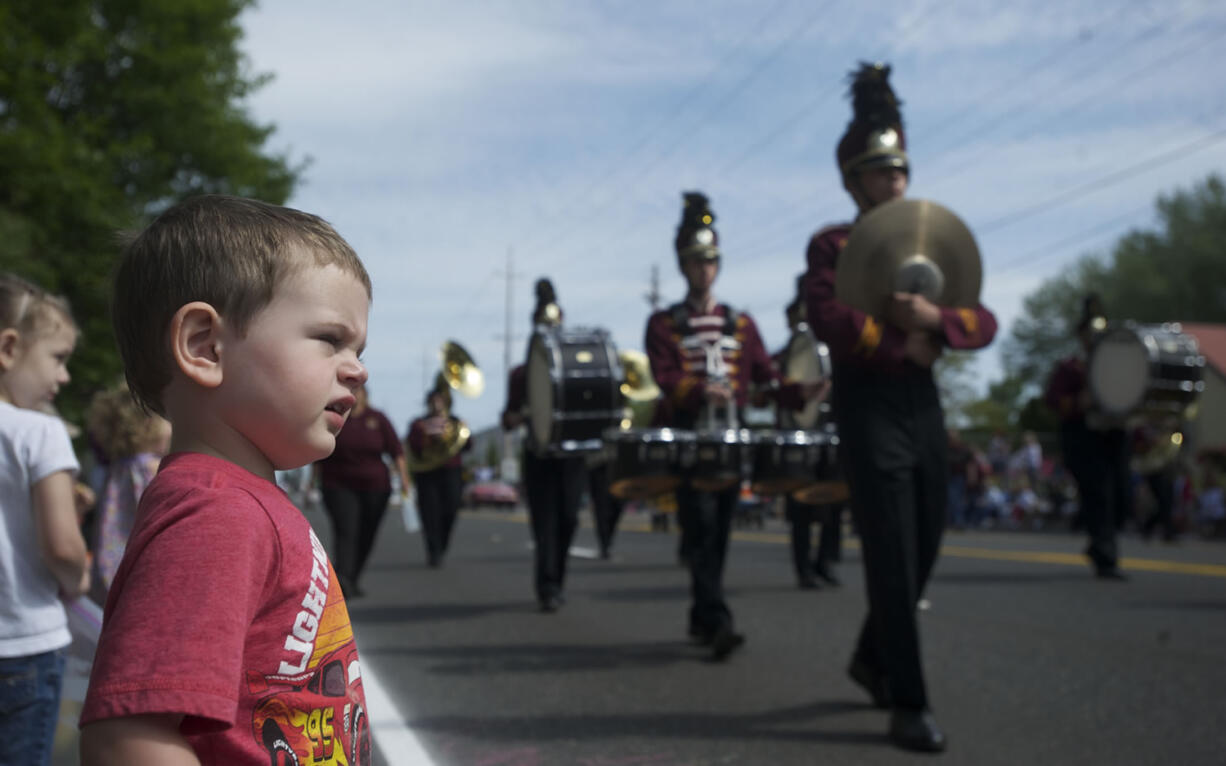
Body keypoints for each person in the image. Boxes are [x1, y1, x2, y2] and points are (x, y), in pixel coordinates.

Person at [80, 195, 372, 765]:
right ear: (204, 346)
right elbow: (128, 738)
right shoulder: (216, 516)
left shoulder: (242, 502)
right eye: (330, 339)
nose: (358, 367)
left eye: (359, 348)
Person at [803, 63, 998, 752]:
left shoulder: (930, 238)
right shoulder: (833, 244)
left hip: (923, 408)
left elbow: (986, 321)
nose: (895, 183)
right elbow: (826, 314)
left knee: (926, 542)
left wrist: (935, 320)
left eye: (901, 170)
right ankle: (908, 703)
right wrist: (896, 344)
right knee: (890, 551)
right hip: (869, 404)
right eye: (881, 172)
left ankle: (870, 656)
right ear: (853, 180)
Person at [646, 192, 815, 660]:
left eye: (711, 262)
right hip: (689, 437)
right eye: (696, 262)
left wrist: (804, 391)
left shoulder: (740, 323)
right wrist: (701, 391)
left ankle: (702, 615)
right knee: (698, 526)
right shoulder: (664, 323)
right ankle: (718, 620)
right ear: (683, 266)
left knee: (719, 531)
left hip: (731, 439)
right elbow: (664, 377)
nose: (704, 270)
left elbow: (765, 375)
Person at [0, 274, 92, 766]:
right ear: (9, 348)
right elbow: (61, 547)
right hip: (24, 646)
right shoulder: (40, 432)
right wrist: (76, 577)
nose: (64, 378)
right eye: (57, 359)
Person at [501, 279, 587, 613]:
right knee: (545, 523)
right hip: (539, 455)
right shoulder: (522, 373)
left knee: (568, 519)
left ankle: (557, 579)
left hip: (571, 454)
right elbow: (508, 415)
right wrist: (519, 416)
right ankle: (548, 586)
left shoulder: (574, 364)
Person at [1044, 294, 1130, 579]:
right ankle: (1106, 557)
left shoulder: (1118, 367)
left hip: (1115, 434)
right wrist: (1080, 401)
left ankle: (1099, 544)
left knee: (1122, 494)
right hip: (1084, 436)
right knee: (1100, 494)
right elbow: (1054, 400)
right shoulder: (1071, 367)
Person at [315, 383, 410, 595]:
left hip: (376, 487)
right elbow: (319, 451)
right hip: (338, 485)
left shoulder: (378, 419)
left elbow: (396, 450)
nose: (355, 394)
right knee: (347, 530)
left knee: (367, 533)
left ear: (366, 395)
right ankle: (343, 578)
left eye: (359, 391)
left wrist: (404, 479)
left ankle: (353, 578)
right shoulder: (335, 416)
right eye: (351, 391)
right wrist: (310, 483)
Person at [774, 293, 840, 589]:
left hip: (827, 432)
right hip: (795, 436)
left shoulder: (830, 349)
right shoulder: (784, 356)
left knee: (832, 500)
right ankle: (803, 568)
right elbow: (772, 387)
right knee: (800, 505)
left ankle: (825, 562)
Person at [85, 382, 172, 595]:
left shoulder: (117, 468)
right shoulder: (149, 467)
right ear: (147, 423)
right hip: (142, 568)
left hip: (111, 565)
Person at [407, 381, 469, 567]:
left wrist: (461, 432)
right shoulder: (419, 423)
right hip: (427, 472)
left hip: (451, 471)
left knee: (451, 508)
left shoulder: (455, 421)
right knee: (430, 513)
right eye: (434, 400)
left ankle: (442, 544)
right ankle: (433, 550)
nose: (437, 404)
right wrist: (427, 436)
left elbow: (468, 445)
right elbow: (414, 446)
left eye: (440, 400)